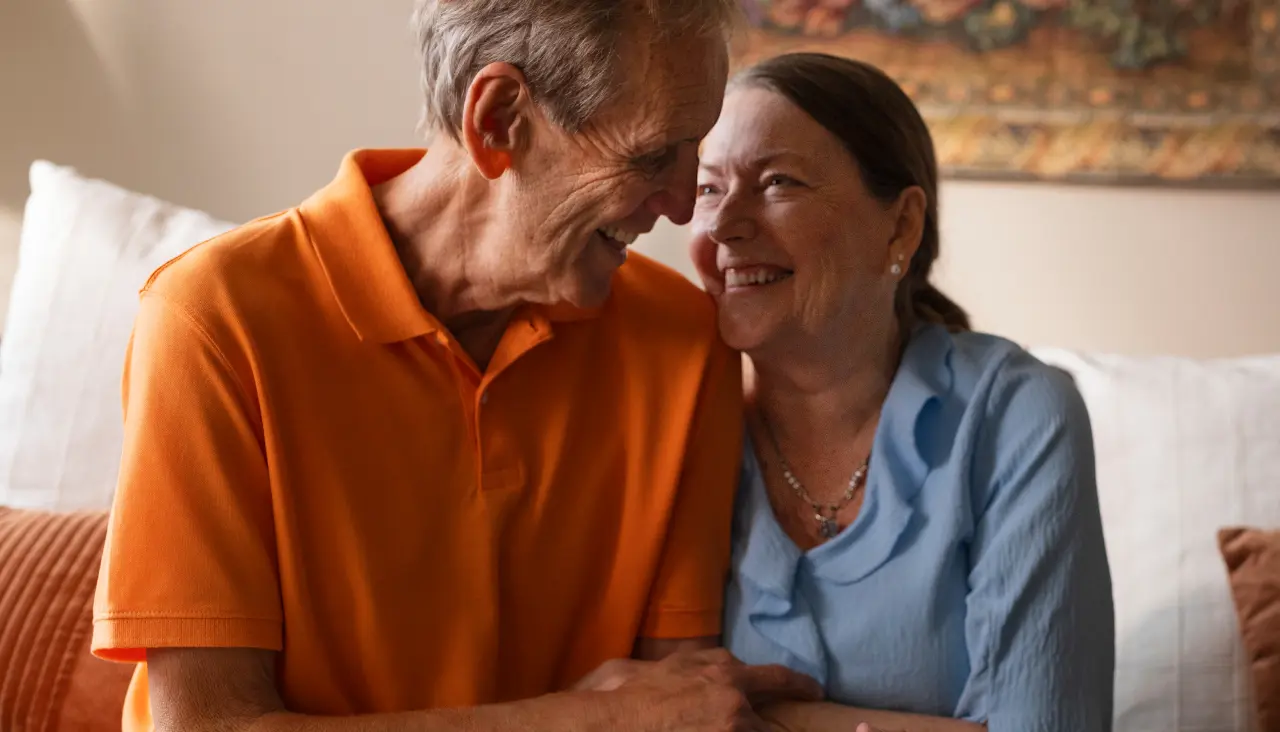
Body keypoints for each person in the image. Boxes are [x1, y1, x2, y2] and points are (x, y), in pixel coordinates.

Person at [90, 3, 823, 731]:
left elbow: (676, 709)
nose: (680, 204)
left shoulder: (685, 343)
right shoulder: (214, 321)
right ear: (500, 120)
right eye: (651, 155)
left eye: (693, 147)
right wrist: (584, 719)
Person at [690, 53, 1116, 731]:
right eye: (709, 189)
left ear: (900, 228)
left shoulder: (1016, 416)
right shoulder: (674, 416)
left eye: (777, 182)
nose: (722, 225)